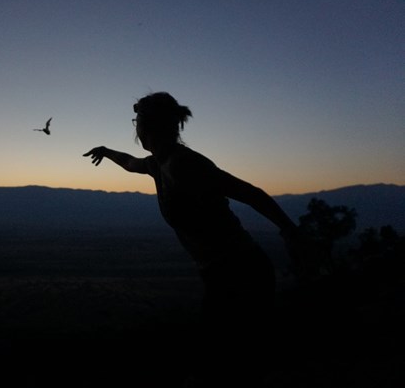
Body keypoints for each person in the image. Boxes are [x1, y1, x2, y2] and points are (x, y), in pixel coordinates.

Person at [83, 92, 300, 386]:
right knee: (228, 363)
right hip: (224, 272)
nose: (135, 128)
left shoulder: (184, 164)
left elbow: (250, 193)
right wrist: (106, 151)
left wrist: (289, 231)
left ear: (146, 127)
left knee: (224, 366)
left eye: (136, 122)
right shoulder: (158, 164)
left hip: (240, 272)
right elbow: (130, 162)